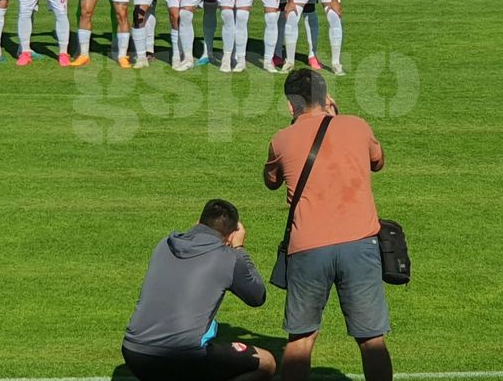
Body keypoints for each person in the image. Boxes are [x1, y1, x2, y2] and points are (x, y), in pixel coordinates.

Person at [263, 69, 391, 381]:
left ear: (291, 105)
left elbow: (271, 181)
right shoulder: (357, 126)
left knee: (301, 338)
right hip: (360, 243)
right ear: (327, 97)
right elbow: (378, 160)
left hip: (307, 247)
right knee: (371, 339)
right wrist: (339, 117)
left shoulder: (281, 139)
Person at [122, 199, 275, 381]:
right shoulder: (228, 258)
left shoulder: (164, 244)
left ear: (198, 223)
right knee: (266, 362)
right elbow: (257, 296)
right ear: (232, 234)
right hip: (180, 356)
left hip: (133, 352)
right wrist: (239, 248)